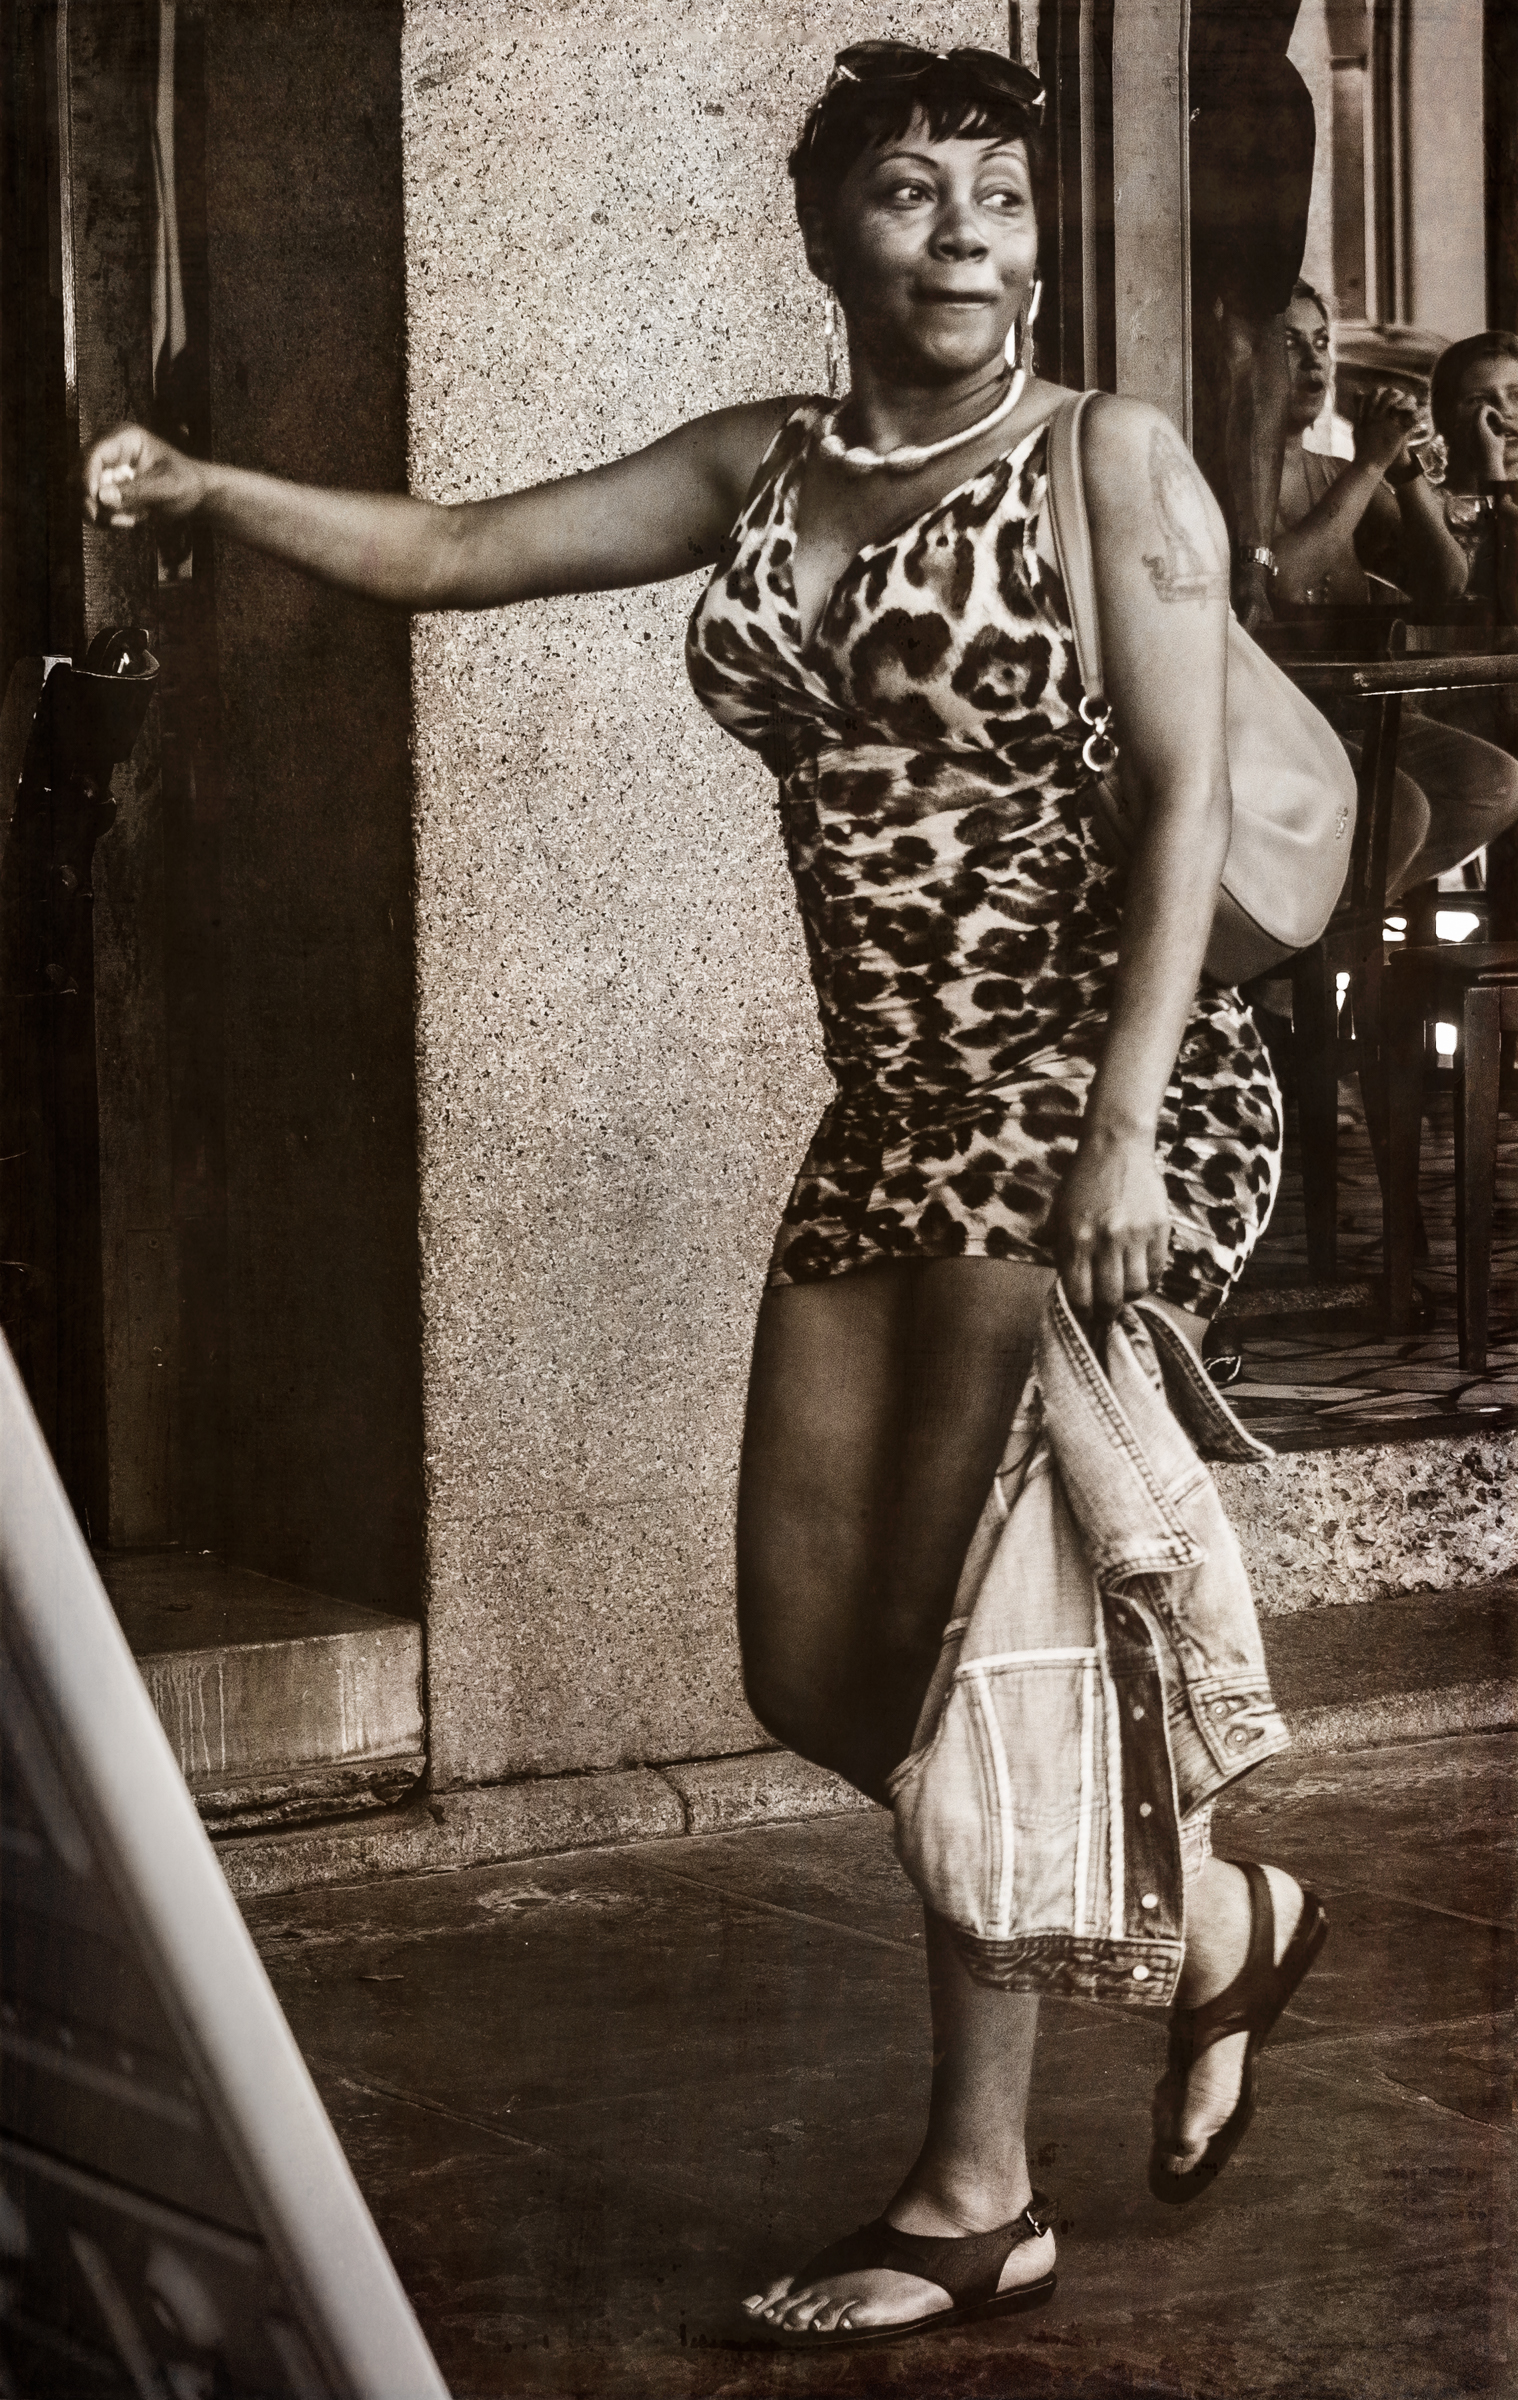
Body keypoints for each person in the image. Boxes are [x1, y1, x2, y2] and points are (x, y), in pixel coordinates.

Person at [84, 46, 1324, 2344]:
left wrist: (1126, 1132)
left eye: (996, 190)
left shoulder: (1106, 462)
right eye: (908, 190)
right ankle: (1220, 1922)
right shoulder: (767, 467)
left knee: (972, 1640)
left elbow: (1175, 805)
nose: (963, 229)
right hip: (891, 1115)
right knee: (823, 1656)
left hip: (1088, 1099)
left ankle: (975, 2192)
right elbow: (457, 551)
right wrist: (208, 486)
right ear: (825, 233)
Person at [1272, 283, 1518, 906]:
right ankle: (1316, 934)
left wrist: (1402, 466)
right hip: (1290, 709)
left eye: (1321, 343)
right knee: (1401, 810)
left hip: (1365, 707)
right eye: (1291, 344)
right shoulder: (1239, 477)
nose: (1314, 361)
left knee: (1494, 783)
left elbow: (1444, 582)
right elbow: (1284, 581)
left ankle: (1333, 919)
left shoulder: (1333, 472)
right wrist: (1370, 465)